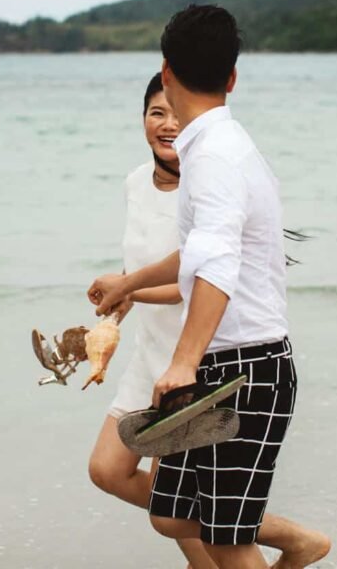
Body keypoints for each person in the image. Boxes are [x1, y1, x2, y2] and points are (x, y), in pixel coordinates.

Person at [89, 5, 331, 569]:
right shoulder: (214, 147)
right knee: (172, 515)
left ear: (166, 72)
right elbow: (200, 249)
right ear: (232, 78)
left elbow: (216, 263)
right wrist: (131, 281)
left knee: (225, 539)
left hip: (245, 369)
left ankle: (295, 548)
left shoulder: (216, 158)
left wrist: (183, 362)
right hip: (225, 366)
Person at [86, 72, 217, 569]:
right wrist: (122, 297)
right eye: (156, 113)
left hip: (194, 357)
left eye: (178, 114)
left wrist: (132, 286)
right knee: (108, 470)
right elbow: (139, 262)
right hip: (149, 352)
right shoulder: (136, 181)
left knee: (169, 503)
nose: (167, 124)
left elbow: (197, 280)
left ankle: (273, 541)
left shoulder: (206, 189)